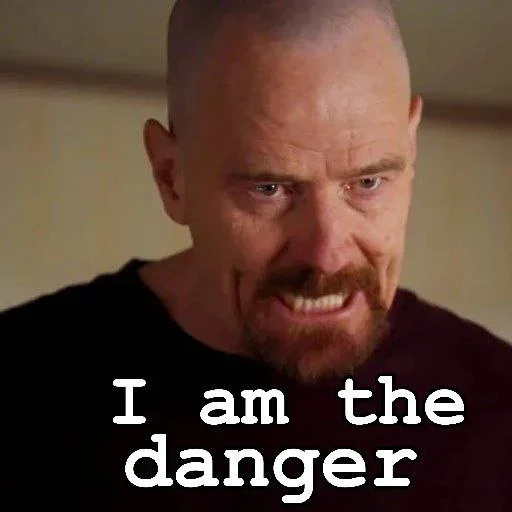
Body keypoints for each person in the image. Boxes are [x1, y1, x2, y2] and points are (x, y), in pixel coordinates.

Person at [1, 1, 511, 510]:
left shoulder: (498, 406)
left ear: (410, 150)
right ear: (171, 177)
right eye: (269, 189)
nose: (327, 255)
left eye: (368, 183)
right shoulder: (22, 386)